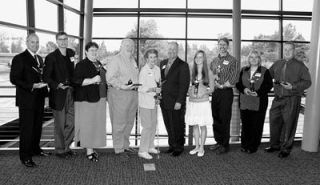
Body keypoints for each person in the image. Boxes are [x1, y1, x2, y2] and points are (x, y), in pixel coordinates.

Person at [264, 42, 311, 158]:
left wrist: (293, 86)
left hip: (292, 99)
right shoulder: (277, 63)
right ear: (283, 50)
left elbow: (307, 82)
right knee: (274, 122)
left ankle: (286, 148)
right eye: (285, 49)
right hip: (277, 98)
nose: (287, 51)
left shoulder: (300, 66)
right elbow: (267, 76)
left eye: (290, 49)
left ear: (294, 51)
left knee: (289, 125)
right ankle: (274, 145)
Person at [10, 33, 50, 167]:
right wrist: (31, 86)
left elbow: (41, 78)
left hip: (38, 100)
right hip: (26, 100)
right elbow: (14, 79)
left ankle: (35, 149)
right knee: (26, 129)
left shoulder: (39, 58)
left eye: (37, 42)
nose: (35, 45)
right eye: (33, 42)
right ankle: (25, 157)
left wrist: (46, 96)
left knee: (37, 128)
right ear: (26, 43)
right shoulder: (19, 58)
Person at [43, 32, 76, 158]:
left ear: (68, 40)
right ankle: (60, 150)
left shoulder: (71, 54)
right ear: (57, 41)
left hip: (71, 93)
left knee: (72, 123)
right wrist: (57, 85)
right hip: (58, 94)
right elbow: (46, 77)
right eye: (60, 39)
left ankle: (66, 146)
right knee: (60, 124)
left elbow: (73, 72)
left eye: (65, 39)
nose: (63, 41)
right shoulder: (51, 57)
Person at [73, 42, 107, 162]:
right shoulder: (81, 64)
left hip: (98, 99)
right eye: (91, 50)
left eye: (96, 50)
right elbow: (76, 81)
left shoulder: (98, 63)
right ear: (86, 52)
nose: (94, 53)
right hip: (86, 100)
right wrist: (92, 80)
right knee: (87, 126)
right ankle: (89, 152)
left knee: (95, 125)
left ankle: (91, 148)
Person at [106, 38, 139, 160]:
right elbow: (110, 78)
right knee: (119, 123)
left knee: (129, 122)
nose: (130, 46)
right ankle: (119, 149)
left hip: (132, 95)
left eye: (131, 45)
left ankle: (125, 146)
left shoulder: (132, 60)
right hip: (119, 94)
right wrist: (122, 86)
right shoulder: (116, 59)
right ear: (121, 46)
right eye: (127, 44)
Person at [236, 50, 273, 154]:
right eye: (251, 57)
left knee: (256, 126)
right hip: (245, 102)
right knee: (246, 125)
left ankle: (253, 146)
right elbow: (238, 83)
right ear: (248, 59)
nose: (253, 59)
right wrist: (244, 89)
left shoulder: (265, 71)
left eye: (256, 57)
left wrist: (258, 93)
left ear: (259, 59)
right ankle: (244, 145)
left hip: (258, 103)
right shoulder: (243, 70)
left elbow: (268, 85)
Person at [209, 37, 240, 154]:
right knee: (216, 117)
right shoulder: (214, 60)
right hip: (216, 92)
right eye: (220, 44)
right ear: (218, 46)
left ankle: (224, 144)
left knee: (224, 118)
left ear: (228, 46)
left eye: (224, 45)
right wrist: (213, 79)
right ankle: (218, 141)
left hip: (226, 92)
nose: (222, 46)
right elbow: (211, 74)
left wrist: (223, 85)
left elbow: (234, 77)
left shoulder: (233, 60)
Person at [160, 42, 190, 157]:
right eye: (170, 49)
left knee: (177, 124)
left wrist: (179, 101)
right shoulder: (163, 63)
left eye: (174, 49)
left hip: (176, 101)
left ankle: (179, 147)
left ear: (177, 50)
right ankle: (172, 145)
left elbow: (184, 85)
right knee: (168, 124)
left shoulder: (183, 65)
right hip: (164, 100)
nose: (171, 51)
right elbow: (161, 81)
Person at [186, 50, 213, 157]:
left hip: (203, 103)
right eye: (196, 57)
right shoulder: (192, 72)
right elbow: (188, 87)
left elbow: (212, 89)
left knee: (202, 125)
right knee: (195, 125)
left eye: (200, 57)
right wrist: (190, 92)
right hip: (193, 102)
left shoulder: (209, 72)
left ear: (204, 58)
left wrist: (203, 93)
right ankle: (196, 146)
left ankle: (202, 147)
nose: (198, 59)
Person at [137, 49, 161, 160]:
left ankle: (150, 146)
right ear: (147, 59)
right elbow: (140, 88)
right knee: (147, 127)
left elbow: (158, 84)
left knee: (153, 125)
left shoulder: (157, 69)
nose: (153, 59)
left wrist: (158, 95)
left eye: (154, 57)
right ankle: (142, 150)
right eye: (151, 57)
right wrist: (151, 89)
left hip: (154, 102)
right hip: (145, 103)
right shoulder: (143, 70)